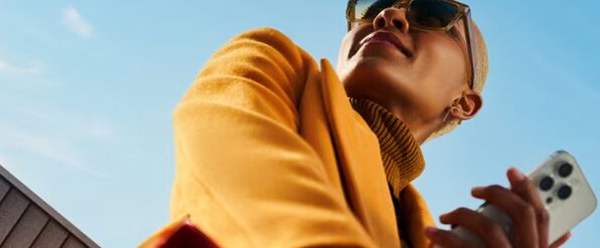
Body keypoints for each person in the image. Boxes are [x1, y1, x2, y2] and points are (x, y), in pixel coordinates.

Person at [142, 0, 571, 247]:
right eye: (374, 6)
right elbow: (242, 174)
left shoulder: (424, 237)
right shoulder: (275, 65)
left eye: (433, 12)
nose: (388, 17)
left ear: (464, 103)